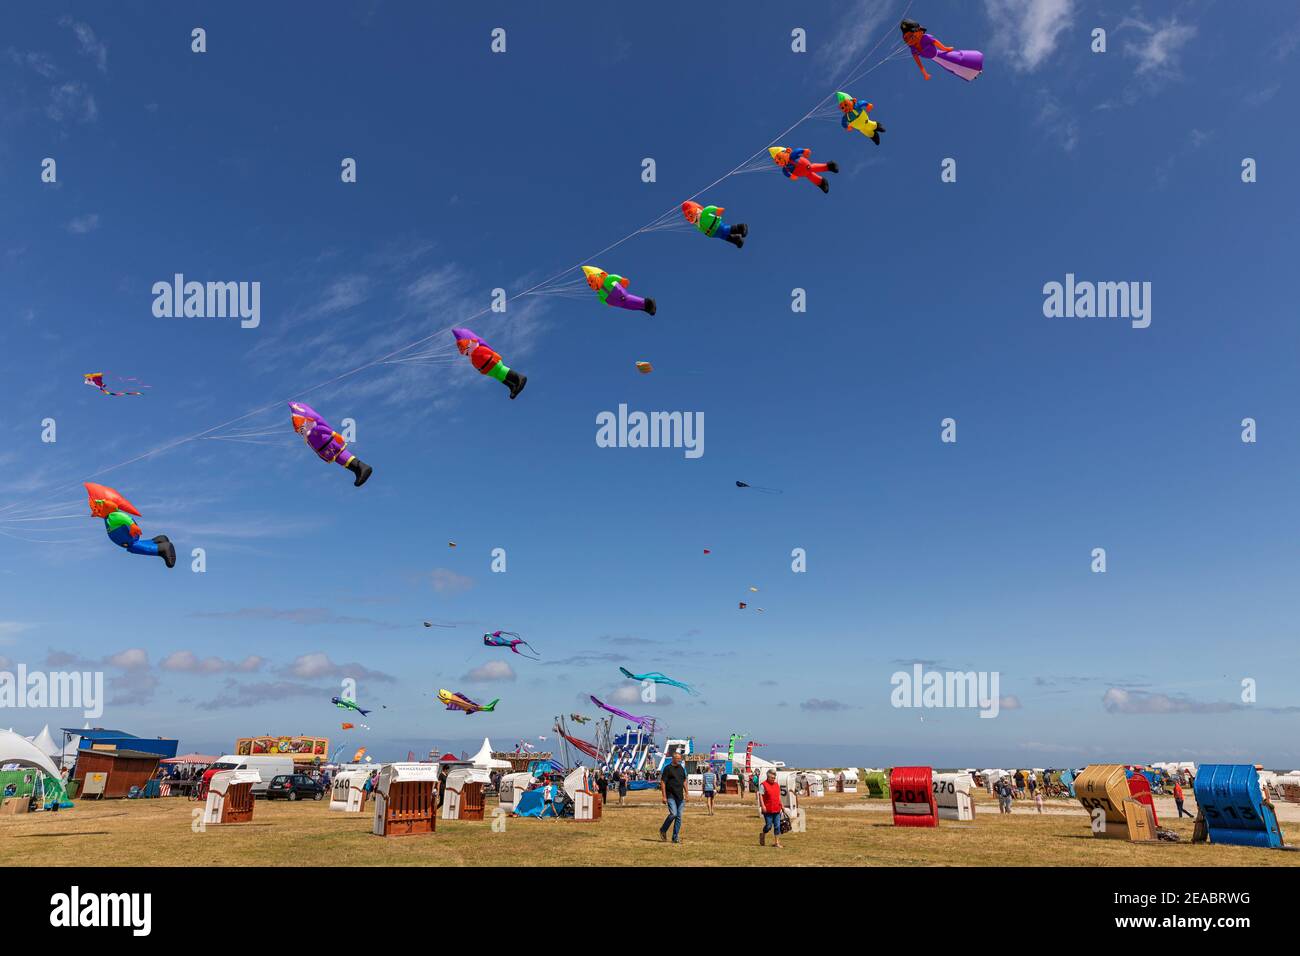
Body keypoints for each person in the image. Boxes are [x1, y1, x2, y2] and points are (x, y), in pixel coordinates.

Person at [288, 401, 373, 486]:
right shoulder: (308, 435)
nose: (300, 431)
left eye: (301, 429)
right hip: (325, 450)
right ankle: (357, 471)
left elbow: (323, 429)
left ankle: (362, 467)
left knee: (341, 455)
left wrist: (334, 434)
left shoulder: (314, 428)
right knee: (339, 459)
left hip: (330, 445)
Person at [768, 146, 839, 193]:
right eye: (777, 161)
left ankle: (830, 166)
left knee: (810, 168)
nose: (778, 161)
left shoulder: (792, 156)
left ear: (787, 151)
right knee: (810, 176)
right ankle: (821, 182)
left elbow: (797, 151)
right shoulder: (785, 167)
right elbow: (785, 173)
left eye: (779, 158)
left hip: (805, 165)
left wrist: (804, 151)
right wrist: (791, 176)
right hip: (802, 173)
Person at [681, 201, 747, 248]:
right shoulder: (697, 225)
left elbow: (708, 208)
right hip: (714, 234)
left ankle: (742, 227)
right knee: (725, 237)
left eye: (690, 214)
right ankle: (737, 240)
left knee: (726, 230)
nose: (689, 217)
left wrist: (716, 209)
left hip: (717, 226)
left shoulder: (703, 214)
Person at [659, 752, 687, 844]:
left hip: (680, 796)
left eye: (680, 758)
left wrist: (687, 792)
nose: (679, 760)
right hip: (670, 795)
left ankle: (675, 837)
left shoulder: (681, 768)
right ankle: (663, 829)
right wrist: (664, 796)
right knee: (673, 814)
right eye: (678, 758)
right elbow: (663, 782)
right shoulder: (667, 768)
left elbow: (684, 781)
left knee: (679, 817)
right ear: (673, 758)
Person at [759, 769, 784, 848]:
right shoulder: (763, 785)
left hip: (777, 809)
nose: (773, 779)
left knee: (777, 826)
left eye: (774, 777)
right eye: (772, 777)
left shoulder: (777, 785)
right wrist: (763, 806)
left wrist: (782, 805)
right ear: (768, 777)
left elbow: (778, 796)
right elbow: (760, 796)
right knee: (769, 826)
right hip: (768, 809)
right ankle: (763, 834)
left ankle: (777, 843)